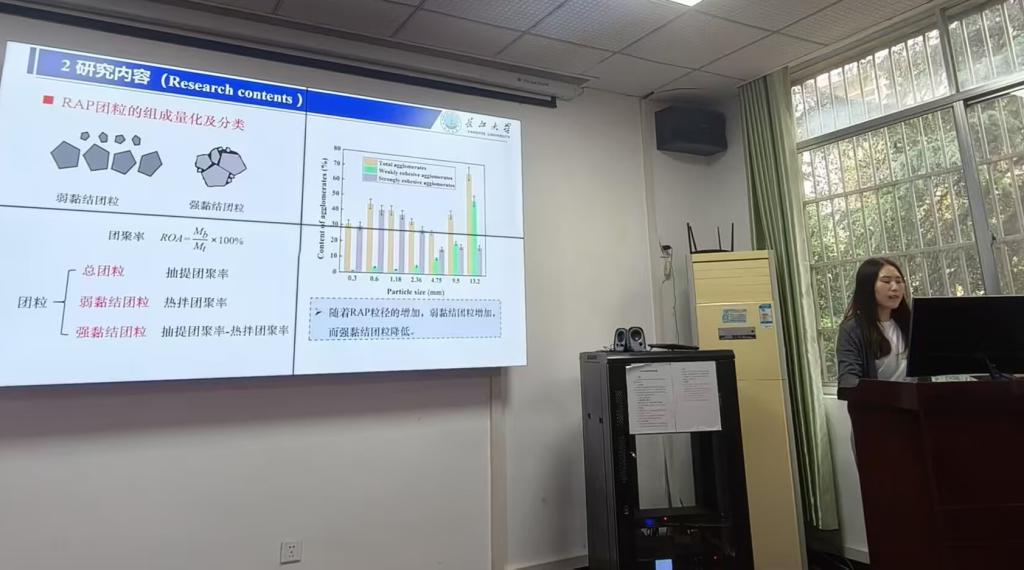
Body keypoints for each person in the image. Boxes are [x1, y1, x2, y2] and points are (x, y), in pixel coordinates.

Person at [836, 257, 911, 383]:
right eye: (886, 281)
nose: (895, 287)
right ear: (868, 286)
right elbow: (848, 380)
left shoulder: (911, 322)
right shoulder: (852, 329)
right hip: (875, 396)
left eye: (899, 281)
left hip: (915, 396)